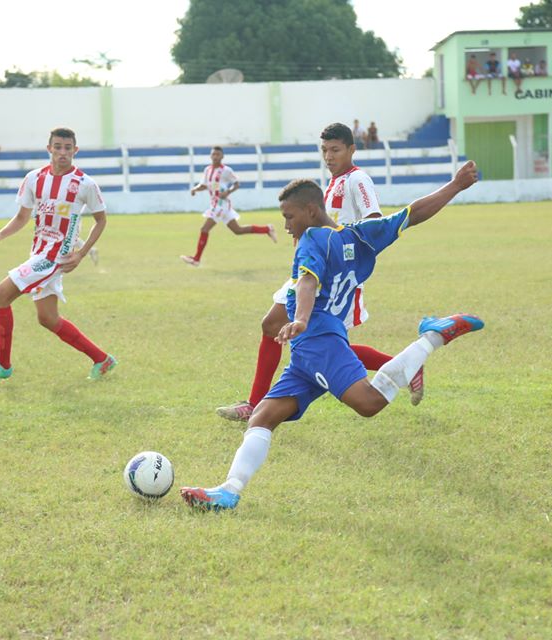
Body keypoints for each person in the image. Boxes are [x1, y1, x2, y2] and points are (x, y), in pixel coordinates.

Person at [180, 162, 482, 512]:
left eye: (289, 216)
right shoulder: (361, 234)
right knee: (263, 416)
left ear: (311, 211)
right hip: (316, 344)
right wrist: (455, 186)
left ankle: (432, 337)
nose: (286, 225)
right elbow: (412, 214)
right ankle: (228, 492)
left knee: (368, 403)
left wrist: (302, 319)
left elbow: (307, 281)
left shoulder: (311, 238)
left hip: (317, 339)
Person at [216, 122, 424, 423]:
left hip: (334, 273)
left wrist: (339, 247)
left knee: (322, 342)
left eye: (335, 150)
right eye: (324, 150)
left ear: (351, 150)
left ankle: (403, 366)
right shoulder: (333, 183)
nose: (329, 156)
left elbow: (373, 223)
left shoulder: (357, 180)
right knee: (282, 328)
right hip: (313, 266)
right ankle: (255, 401)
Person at [0, 127, 116, 382]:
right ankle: (102, 359)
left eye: (67, 148)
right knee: (47, 318)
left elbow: (101, 221)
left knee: (0, 295)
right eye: (57, 147)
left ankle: (3, 364)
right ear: (49, 148)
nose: (62, 152)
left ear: (75, 150)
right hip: (38, 252)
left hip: (55, 257)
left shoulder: (85, 183)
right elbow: (22, 217)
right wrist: (0, 235)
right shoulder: (34, 178)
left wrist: (81, 254)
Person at [180, 146, 276, 267]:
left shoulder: (226, 170)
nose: (215, 157)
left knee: (204, 229)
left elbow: (236, 184)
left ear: (222, 156)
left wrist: (228, 192)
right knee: (238, 230)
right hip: (216, 204)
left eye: (218, 154)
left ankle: (196, 259)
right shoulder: (207, 170)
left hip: (221, 204)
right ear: (210, 156)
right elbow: (205, 185)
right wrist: (195, 189)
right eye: (213, 154)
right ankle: (267, 229)